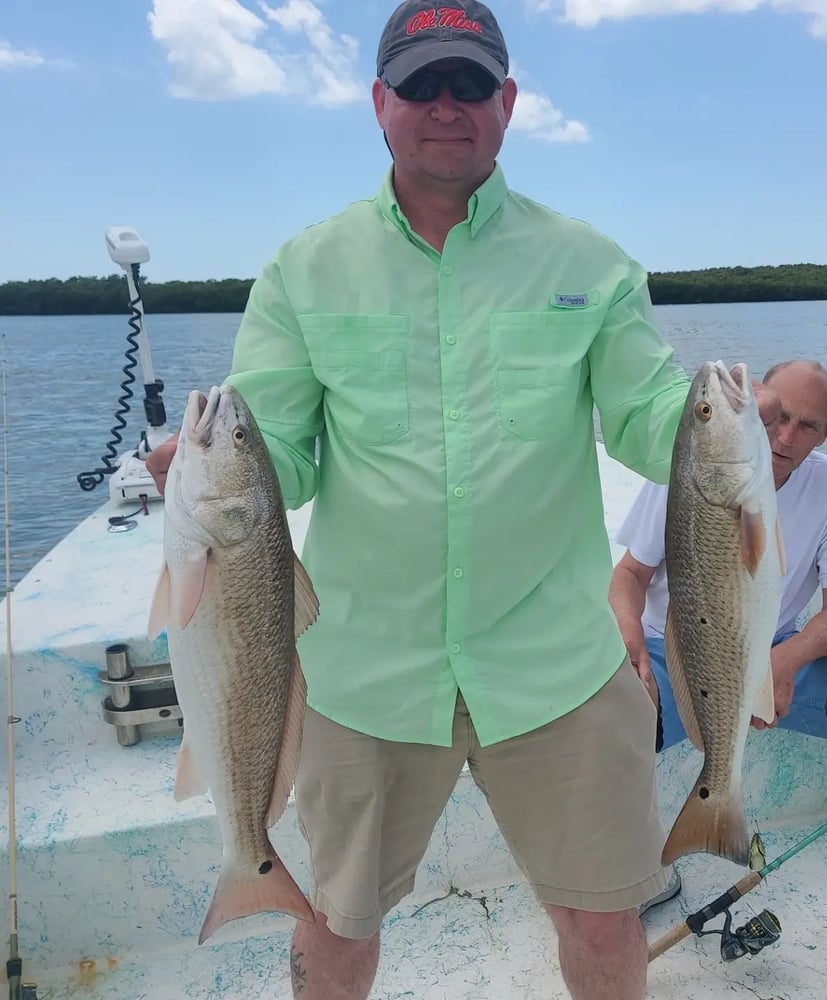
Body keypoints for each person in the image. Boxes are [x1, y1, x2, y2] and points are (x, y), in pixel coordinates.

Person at [144, 2, 724, 996]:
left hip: (556, 664)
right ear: (380, 104)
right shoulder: (302, 269)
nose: (444, 105)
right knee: (336, 922)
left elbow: (645, 414)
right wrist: (212, 475)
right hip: (364, 669)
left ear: (507, 102)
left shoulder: (589, 264)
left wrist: (725, 428)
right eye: (420, 84)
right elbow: (284, 446)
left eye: (468, 84)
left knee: (599, 913)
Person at [608, 359, 827, 970]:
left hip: (774, 650)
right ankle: (646, 871)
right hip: (680, 651)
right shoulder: (687, 469)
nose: (784, 438)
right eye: (778, 418)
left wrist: (787, 657)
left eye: (807, 426)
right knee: (599, 710)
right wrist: (630, 645)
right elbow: (630, 578)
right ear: (758, 409)